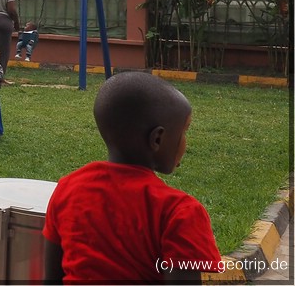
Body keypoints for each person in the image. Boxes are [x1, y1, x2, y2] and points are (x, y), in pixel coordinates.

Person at [43, 72, 222, 283]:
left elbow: (52, 278)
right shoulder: (180, 212)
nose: (185, 142)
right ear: (157, 138)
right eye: (184, 131)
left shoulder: (68, 188)